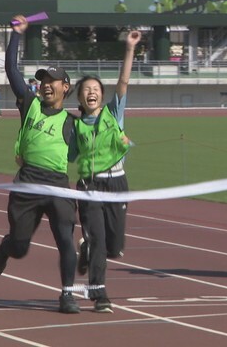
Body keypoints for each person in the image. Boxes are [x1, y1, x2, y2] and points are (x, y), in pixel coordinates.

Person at [0, 14, 80, 314]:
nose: (45, 85)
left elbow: (84, 153)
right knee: (20, 248)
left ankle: (67, 294)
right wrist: (17, 33)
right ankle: (7, 246)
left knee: (66, 238)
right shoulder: (30, 104)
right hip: (27, 182)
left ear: (66, 87)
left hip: (57, 185)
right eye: (43, 81)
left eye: (52, 81)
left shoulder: (72, 122)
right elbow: (11, 69)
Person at [73, 30, 141, 313]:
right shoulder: (73, 125)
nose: (91, 92)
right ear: (79, 96)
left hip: (117, 184)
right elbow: (61, 154)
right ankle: (99, 294)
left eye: (95, 89)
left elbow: (123, 83)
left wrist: (129, 48)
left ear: (101, 95)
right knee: (100, 240)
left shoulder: (113, 113)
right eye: (86, 89)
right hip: (90, 187)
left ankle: (87, 249)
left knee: (114, 247)